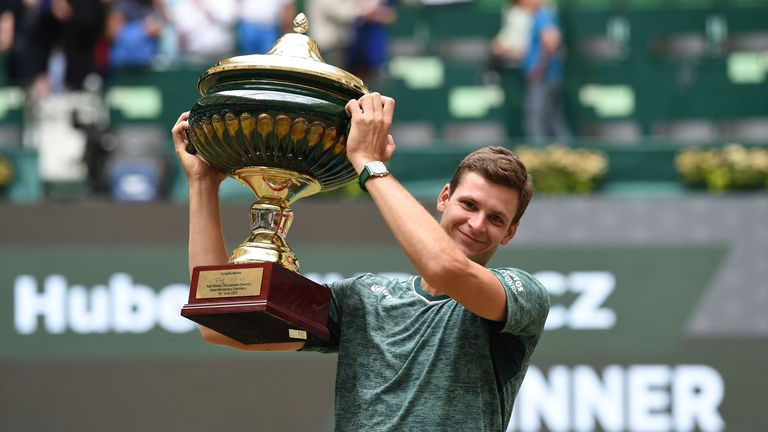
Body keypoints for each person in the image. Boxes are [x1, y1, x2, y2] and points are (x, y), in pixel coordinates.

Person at [172, 92, 550, 430]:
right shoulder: (364, 300)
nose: (477, 223)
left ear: (511, 233)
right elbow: (221, 322)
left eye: (496, 218)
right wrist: (202, 183)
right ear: (444, 198)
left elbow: (445, 269)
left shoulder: (523, 296)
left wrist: (369, 163)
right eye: (469, 205)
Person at [519, 0, 570, 144]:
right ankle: (567, 157)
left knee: (537, 120)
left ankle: (539, 159)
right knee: (552, 119)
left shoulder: (543, 15)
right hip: (549, 77)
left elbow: (551, 40)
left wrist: (538, 69)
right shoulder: (543, 15)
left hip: (544, 78)